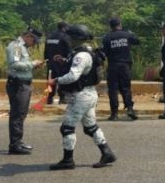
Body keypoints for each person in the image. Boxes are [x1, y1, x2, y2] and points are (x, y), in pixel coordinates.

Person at [48, 24, 116, 170]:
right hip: (89, 94)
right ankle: (107, 153)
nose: (68, 40)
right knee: (90, 127)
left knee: (66, 128)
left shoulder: (80, 55)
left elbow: (73, 75)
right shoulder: (87, 52)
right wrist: (64, 61)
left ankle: (68, 160)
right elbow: (81, 69)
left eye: (70, 37)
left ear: (75, 38)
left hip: (81, 96)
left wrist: (56, 80)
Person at [5, 27, 45, 155]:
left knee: (21, 114)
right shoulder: (16, 47)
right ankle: (14, 144)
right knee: (17, 114)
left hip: (23, 84)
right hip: (18, 84)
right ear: (28, 36)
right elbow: (14, 65)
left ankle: (18, 142)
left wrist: (33, 66)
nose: (34, 44)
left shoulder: (22, 48)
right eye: (34, 41)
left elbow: (22, 66)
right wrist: (33, 64)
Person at [102, 17, 140, 121]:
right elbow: (137, 41)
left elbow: (104, 53)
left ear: (111, 26)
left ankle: (114, 114)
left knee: (113, 90)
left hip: (113, 66)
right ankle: (130, 109)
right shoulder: (126, 34)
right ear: (120, 25)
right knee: (126, 88)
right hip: (125, 66)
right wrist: (132, 34)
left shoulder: (107, 37)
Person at [44, 22, 72, 105]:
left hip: (50, 62)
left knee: (50, 80)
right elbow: (69, 51)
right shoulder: (65, 37)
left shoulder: (50, 37)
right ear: (64, 28)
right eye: (67, 28)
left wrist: (47, 60)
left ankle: (49, 98)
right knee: (62, 80)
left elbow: (45, 51)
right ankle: (62, 98)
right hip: (61, 62)